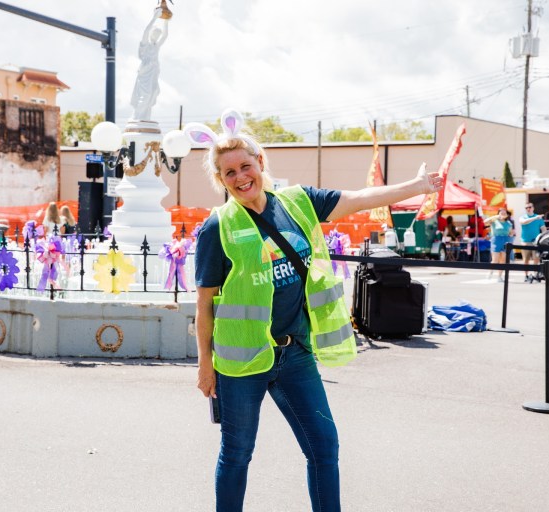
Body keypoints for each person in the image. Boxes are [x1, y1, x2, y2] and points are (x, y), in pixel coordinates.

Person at [188, 109, 443, 512]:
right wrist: (205, 365)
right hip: (241, 362)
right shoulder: (217, 226)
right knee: (237, 454)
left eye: (245, 166)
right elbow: (204, 304)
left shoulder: (297, 202)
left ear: (261, 163)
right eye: (229, 173)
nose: (240, 178)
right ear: (220, 180)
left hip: (294, 354)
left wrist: (417, 185)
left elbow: (358, 200)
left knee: (324, 448)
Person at [130, 6, 169, 121]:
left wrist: (166, 20)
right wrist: (154, 18)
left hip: (153, 73)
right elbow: (146, 31)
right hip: (145, 73)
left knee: (152, 94)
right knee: (145, 96)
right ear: (151, 34)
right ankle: (137, 117)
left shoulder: (156, 46)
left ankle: (145, 117)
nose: (157, 36)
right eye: (155, 34)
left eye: (158, 35)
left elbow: (165, 36)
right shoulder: (145, 44)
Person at [518, 202, 546, 282]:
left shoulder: (539, 218)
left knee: (536, 259)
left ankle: (535, 275)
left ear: (533, 208)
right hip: (525, 242)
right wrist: (535, 218)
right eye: (526, 208)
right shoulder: (523, 217)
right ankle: (526, 275)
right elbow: (523, 222)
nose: (528, 209)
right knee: (526, 260)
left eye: (529, 207)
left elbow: (543, 229)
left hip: (536, 241)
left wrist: (544, 238)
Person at [484, 207, 512, 281]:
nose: (503, 214)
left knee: (503, 259)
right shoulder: (494, 221)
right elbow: (485, 221)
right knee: (495, 259)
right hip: (496, 240)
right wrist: (496, 217)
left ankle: (499, 276)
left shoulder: (508, 223)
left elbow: (510, 232)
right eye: (501, 212)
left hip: (505, 240)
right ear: (498, 214)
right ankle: (490, 272)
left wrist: (511, 235)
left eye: (504, 213)